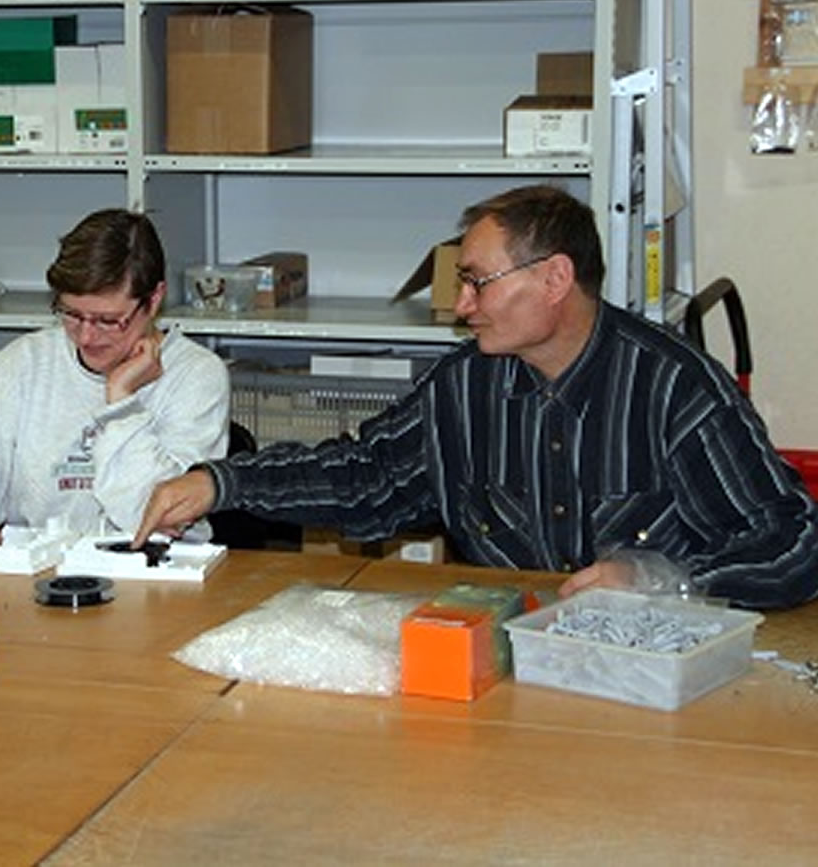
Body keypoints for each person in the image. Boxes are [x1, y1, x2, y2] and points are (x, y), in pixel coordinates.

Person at [134, 184, 818, 610]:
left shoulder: (674, 387)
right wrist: (220, 482)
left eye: (477, 282)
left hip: (650, 677)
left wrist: (661, 583)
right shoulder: (466, 386)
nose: (460, 305)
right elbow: (366, 478)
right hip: (503, 662)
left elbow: (790, 545)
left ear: (554, 278)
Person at [0, 208, 230, 545]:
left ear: (154, 300)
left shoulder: (196, 376)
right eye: (71, 314)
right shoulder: (25, 363)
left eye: (107, 320)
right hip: (33, 578)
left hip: (156, 585)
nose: (86, 337)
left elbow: (152, 520)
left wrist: (120, 400)